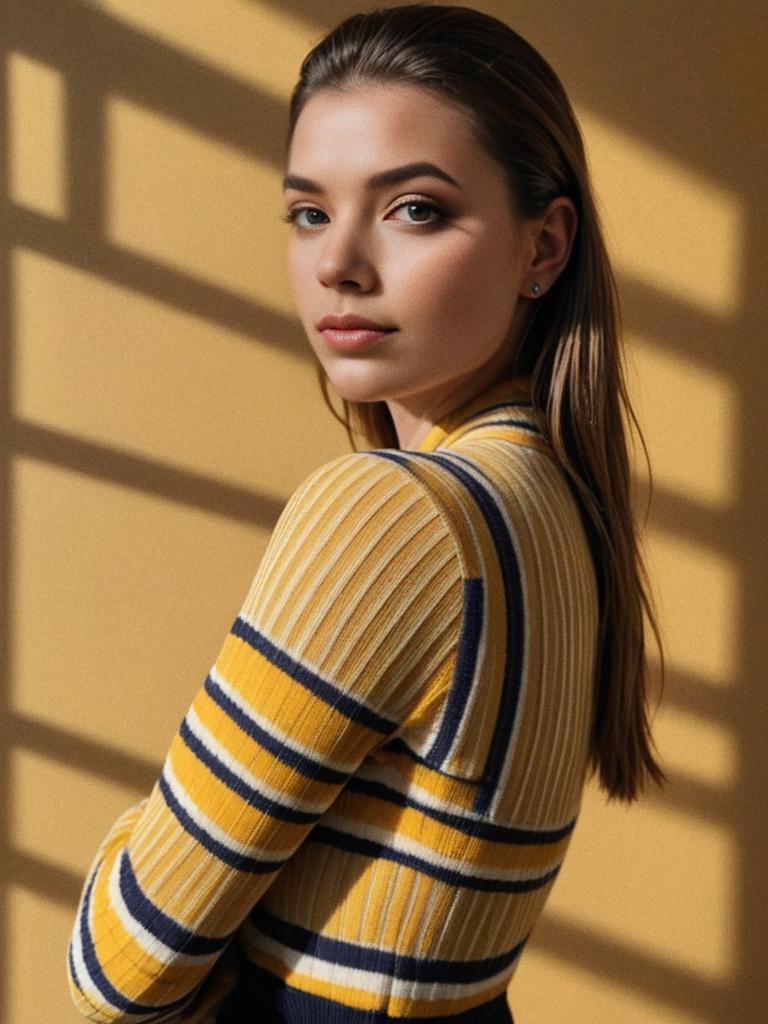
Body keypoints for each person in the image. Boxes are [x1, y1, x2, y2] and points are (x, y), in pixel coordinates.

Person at [66, 4, 665, 1022]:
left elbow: (123, 964)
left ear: (544, 246)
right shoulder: (562, 507)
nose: (339, 261)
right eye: (309, 211)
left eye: (414, 208)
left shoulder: (391, 514)